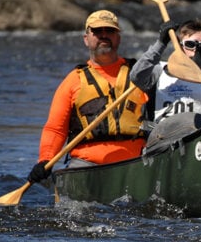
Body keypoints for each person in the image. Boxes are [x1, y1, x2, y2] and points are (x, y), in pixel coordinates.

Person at [26, 10, 149, 184]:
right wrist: (45, 160)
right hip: (86, 165)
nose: (104, 35)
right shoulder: (73, 80)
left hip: (136, 163)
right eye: (97, 31)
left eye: (110, 31)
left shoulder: (141, 74)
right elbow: (56, 128)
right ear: (86, 39)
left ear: (118, 38)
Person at [131, 18, 201, 123]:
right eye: (190, 44)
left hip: (199, 132)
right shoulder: (158, 71)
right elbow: (135, 77)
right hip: (161, 131)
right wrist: (161, 43)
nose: (195, 51)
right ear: (179, 46)